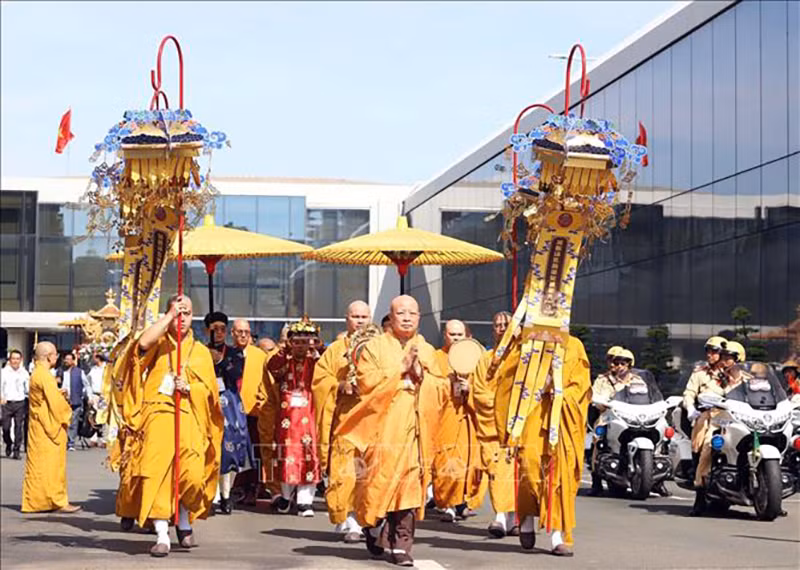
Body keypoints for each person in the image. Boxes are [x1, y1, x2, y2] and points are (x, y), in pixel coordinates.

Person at [336, 295, 448, 567]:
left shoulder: (427, 350)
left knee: (410, 487)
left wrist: (421, 374)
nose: (407, 318)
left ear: (419, 317)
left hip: (415, 431)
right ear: (391, 316)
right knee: (377, 485)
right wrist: (400, 369)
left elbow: (443, 388)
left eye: (412, 313)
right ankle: (373, 526)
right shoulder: (375, 347)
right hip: (382, 431)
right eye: (401, 313)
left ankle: (401, 544)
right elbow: (366, 383)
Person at [134, 295, 223, 557]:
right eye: (178, 313)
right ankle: (162, 534)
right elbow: (142, 344)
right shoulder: (159, 343)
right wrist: (170, 315)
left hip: (191, 416)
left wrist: (190, 387)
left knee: (192, 474)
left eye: (187, 313)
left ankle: (184, 519)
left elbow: (210, 391)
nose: (182, 318)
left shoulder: (201, 352)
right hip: (160, 412)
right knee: (159, 473)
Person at [491, 332, 591, 556]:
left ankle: (557, 535)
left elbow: (581, 385)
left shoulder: (574, 346)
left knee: (559, 477)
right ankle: (526, 517)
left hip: (561, 419)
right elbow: (506, 380)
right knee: (529, 467)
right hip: (532, 416)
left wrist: (558, 391)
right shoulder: (526, 344)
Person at [311, 300, 371, 542]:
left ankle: (366, 520)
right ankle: (350, 520)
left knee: (368, 474)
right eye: (355, 317)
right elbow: (319, 381)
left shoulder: (379, 346)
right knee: (344, 472)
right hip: (345, 421)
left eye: (364, 317)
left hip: (371, 420)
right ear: (347, 319)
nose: (360, 321)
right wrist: (339, 385)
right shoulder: (335, 350)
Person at [265, 317, 322, 517]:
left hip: (310, 412)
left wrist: (317, 346)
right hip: (287, 415)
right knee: (286, 452)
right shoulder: (284, 360)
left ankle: (305, 501)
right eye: (297, 341)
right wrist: (285, 349)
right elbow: (272, 367)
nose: (301, 346)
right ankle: (286, 496)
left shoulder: (316, 361)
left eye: (305, 341)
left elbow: (328, 367)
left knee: (309, 453)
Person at [687, 340, 749, 517]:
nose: (721, 358)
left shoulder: (745, 378)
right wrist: (690, 407)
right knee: (707, 447)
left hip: (741, 419)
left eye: (727, 356)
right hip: (715, 418)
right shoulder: (703, 374)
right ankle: (700, 494)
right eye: (722, 355)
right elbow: (690, 393)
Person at [432, 319, 483, 522]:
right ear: (444, 335)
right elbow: (431, 385)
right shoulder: (436, 357)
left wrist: (470, 388)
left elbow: (485, 387)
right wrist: (448, 384)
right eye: (451, 334)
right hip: (446, 416)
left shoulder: (476, 358)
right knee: (446, 460)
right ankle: (447, 505)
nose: (455, 338)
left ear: (467, 336)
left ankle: (463, 501)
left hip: (469, 417)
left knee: (469, 461)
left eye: (459, 335)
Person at [472, 311, 518, 538]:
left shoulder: (523, 358)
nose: (501, 328)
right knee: (497, 470)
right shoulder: (486, 359)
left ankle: (514, 517)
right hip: (492, 425)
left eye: (506, 324)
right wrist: (501, 404)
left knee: (517, 472)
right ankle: (500, 515)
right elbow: (479, 392)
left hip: (517, 424)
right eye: (497, 325)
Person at [21, 342, 81, 513]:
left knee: (38, 465)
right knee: (52, 466)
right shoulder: (45, 376)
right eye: (55, 354)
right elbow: (55, 404)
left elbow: (46, 397)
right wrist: (67, 413)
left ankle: (37, 502)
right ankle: (58, 501)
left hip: (38, 424)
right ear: (48, 357)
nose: (57, 357)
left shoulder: (37, 373)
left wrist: (58, 392)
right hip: (48, 426)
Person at [205, 312, 252, 515]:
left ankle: (226, 494)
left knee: (230, 449)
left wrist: (221, 360)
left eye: (223, 329)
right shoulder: (200, 351)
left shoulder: (235, 353)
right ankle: (209, 495)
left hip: (229, 403)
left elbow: (236, 373)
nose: (219, 333)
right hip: (206, 400)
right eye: (214, 329)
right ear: (207, 330)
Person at [60, 352, 93, 451]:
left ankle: (71, 442)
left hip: (75, 400)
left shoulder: (79, 372)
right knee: (63, 421)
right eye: (65, 359)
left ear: (73, 361)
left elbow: (87, 385)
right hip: (62, 401)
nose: (66, 361)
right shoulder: (60, 371)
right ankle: (63, 440)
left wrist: (89, 397)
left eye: (69, 359)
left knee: (73, 421)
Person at [2, 349, 29, 459]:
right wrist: (1, 397)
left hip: (20, 402)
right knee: (5, 427)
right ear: (10, 360)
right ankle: (8, 443)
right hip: (7, 402)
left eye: (17, 359)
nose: (15, 361)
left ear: (21, 360)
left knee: (18, 427)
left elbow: (28, 388)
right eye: (13, 359)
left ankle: (16, 450)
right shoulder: (4, 372)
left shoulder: (24, 373)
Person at [87, 353, 108, 447]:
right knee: (93, 417)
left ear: (98, 358)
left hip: (105, 395)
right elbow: (88, 384)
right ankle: (93, 438)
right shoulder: (93, 369)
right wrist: (89, 396)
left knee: (104, 416)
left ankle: (104, 439)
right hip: (95, 395)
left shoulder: (107, 368)